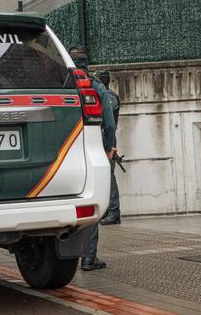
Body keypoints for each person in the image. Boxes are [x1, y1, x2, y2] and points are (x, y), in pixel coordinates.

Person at [68, 46, 117, 271]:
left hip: (65, 153)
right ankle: (88, 258)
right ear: (87, 64)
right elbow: (109, 122)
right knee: (90, 204)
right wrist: (110, 147)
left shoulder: (61, 85)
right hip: (91, 149)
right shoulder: (95, 87)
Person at [95, 70, 122, 225]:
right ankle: (107, 211)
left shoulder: (110, 97)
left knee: (109, 176)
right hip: (101, 139)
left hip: (107, 140)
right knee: (103, 176)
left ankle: (114, 212)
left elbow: (108, 120)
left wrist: (110, 146)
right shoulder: (103, 95)